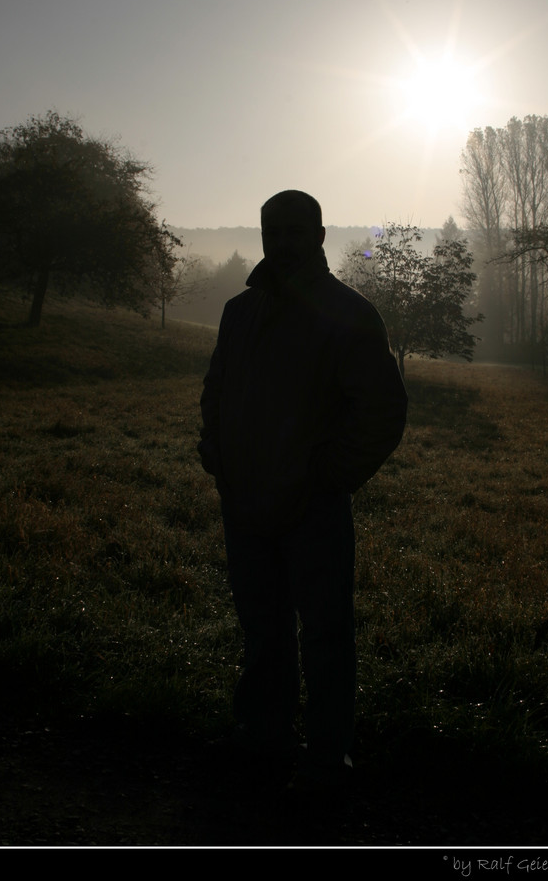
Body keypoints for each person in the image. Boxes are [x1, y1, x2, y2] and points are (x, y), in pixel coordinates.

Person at [198, 189, 407, 787]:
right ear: (263, 235)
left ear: (319, 236)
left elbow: (383, 412)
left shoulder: (350, 312)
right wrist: (216, 448)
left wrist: (328, 480)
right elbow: (217, 387)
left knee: (324, 633)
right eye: (273, 231)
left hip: (312, 508)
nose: (283, 242)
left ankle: (328, 753)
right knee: (262, 628)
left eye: (296, 231)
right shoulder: (239, 311)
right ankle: (264, 734)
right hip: (243, 501)